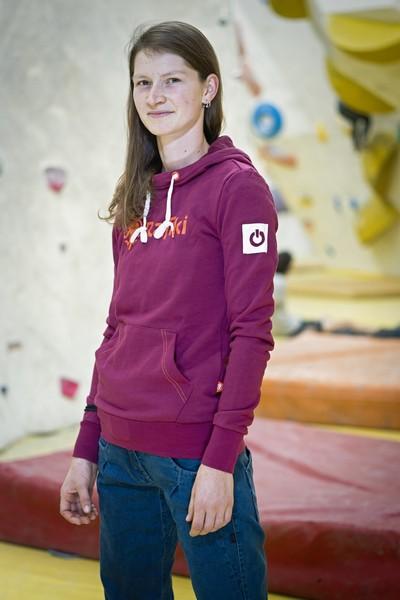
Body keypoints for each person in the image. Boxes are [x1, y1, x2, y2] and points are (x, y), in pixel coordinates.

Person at [60, 20, 278, 600]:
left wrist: (221, 460)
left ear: (209, 88)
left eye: (172, 80)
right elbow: (117, 328)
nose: (155, 96)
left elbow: (252, 332)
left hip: (194, 454)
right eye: (143, 83)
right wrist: (86, 446)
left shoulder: (238, 190)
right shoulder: (134, 195)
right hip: (117, 451)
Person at [273, 251, 400, 338]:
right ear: (288, 266)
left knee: (330, 321)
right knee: (341, 324)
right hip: (292, 329)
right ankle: (378, 332)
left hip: (290, 325)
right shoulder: (280, 283)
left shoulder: (273, 279)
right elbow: (272, 306)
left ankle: (376, 331)